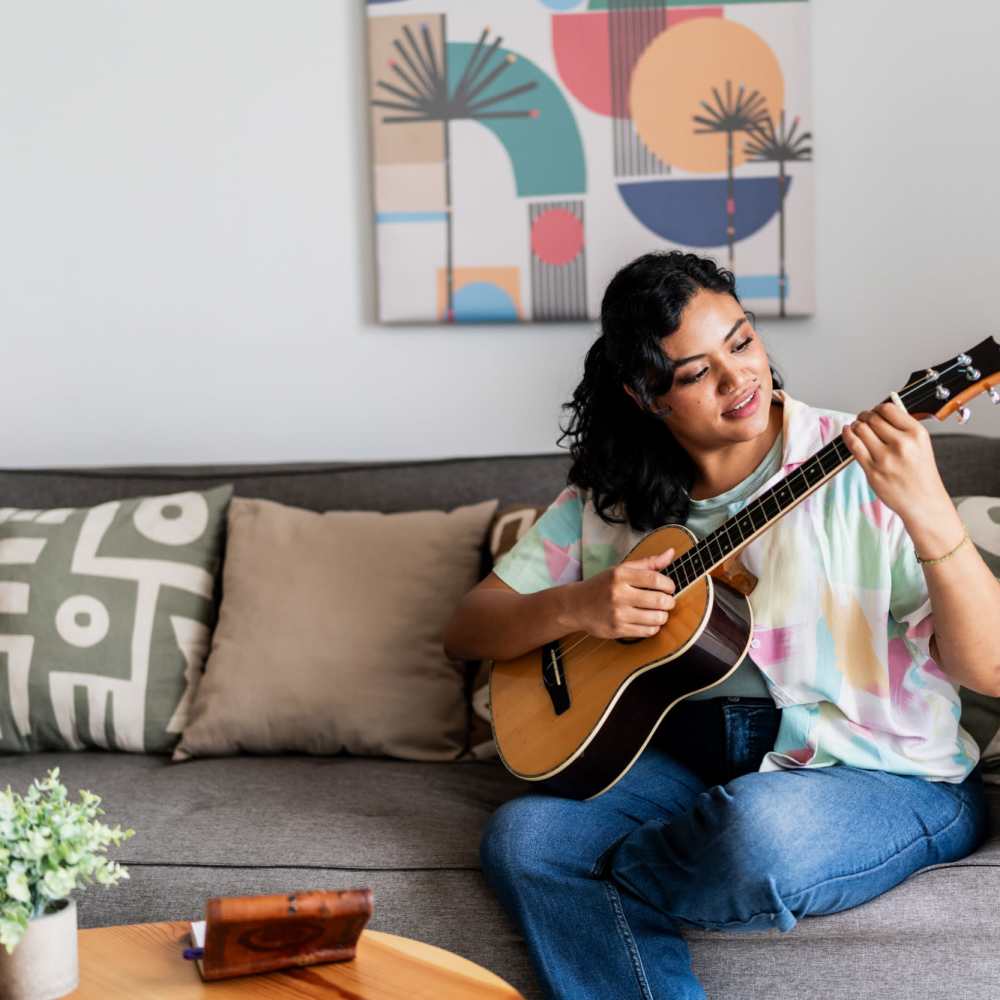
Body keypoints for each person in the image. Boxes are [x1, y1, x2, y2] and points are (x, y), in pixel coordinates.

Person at [442, 251, 1000, 1000]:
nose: (740, 379)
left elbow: (988, 668)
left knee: (757, 837)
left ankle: (598, 887)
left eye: (741, 342)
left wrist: (930, 511)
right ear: (646, 395)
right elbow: (470, 629)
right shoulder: (609, 499)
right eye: (696, 372)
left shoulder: (862, 463)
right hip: (685, 771)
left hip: (878, 773)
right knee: (526, 837)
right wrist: (578, 605)